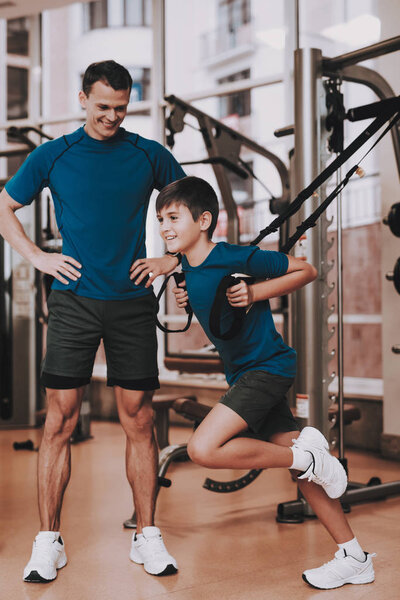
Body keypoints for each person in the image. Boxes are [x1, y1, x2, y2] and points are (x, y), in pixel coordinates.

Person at [0, 60, 185, 582]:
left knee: (139, 419)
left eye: (121, 108)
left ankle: (147, 535)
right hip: (73, 302)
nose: (111, 116)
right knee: (58, 419)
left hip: (131, 301)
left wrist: (170, 260)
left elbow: (195, 213)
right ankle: (47, 542)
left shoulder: (149, 154)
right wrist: (37, 257)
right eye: (102, 106)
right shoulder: (53, 155)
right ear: (82, 98)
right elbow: (3, 206)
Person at [155, 175, 376, 591]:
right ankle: (354, 556)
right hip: (244, 372)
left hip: (268, 368)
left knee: (204, 448)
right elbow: (190, 277)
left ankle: (308, 459)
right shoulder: (187, 265)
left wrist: (255, 293)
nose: (164, 226)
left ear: (203, 220)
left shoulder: (231, 256)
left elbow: (306, 269)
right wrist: (189, 295)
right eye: (160, 219)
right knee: (299, 464)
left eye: (172, 217)